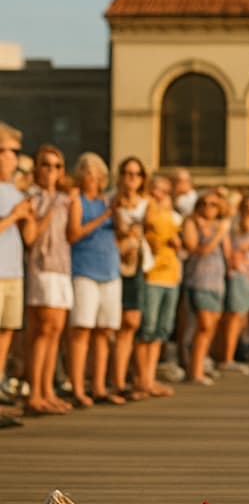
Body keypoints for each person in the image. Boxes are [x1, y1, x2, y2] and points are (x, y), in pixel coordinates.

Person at [65, 153, 123, 405]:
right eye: (86, 171)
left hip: (110, 269)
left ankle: (99, 386)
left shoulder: (108, 201)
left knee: (104, 331)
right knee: (82, 330)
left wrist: (117, 211)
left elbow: (120, 231)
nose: (91, 176)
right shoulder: (77, 200)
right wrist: (103, 217)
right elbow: (74, 233)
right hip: (84, 270)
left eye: (96, 172)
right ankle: (78, 388)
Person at [25, 144, 73, 414]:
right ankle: (34, 393)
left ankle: (48, 390)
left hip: (62, 266)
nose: (51, 170)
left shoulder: (65, 198)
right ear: (37, 168)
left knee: (56, 331)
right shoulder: (32, 197)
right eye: (46, 164)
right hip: (41, 267)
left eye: (56, 165)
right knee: (42, 330)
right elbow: (30, 237)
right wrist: (50, 213)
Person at [134, 174, 182, 398]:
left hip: (171, 275)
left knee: (161, 331)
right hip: (151, 275)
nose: (159, 195)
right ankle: (140, 379)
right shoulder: (146, 210)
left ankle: (150, 378)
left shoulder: (173, 217)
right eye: (155, 189)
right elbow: (150, 235)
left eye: (164, 191)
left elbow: (182, 244)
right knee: (147, 329)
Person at [0, 123, 35, 419]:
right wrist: (14, 216)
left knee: (7, 334)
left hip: (14, 271)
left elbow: (30, 238)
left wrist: (29, 217)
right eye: (9, 152)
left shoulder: (14, 191)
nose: (14, 159)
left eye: (15, 153)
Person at [181, 193, 230, 385]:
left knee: (211, 328)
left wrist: (221, 231)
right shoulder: (191, 223)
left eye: (214, 205)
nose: (209, 208)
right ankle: (194, 370)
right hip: (199, 280)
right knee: (204, 325)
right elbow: (196, 249)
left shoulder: (219, 226)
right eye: (205, 203)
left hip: (217, 282)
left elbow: (226, 253)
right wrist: (217, 235)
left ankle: (201, 365)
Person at [110, 157, 149, 398]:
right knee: (113, 325)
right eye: (127, 173)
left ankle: (133, 378)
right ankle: (114, 381)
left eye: (136, 174)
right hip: (114, 264)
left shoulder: (147, 204)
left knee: (133, 322)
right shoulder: (111, 202)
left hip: (137, 266)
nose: (131, 178)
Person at [218, 195, 249, 374]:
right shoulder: (234, 225)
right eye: (248, 208)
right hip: (236, 273)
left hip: (247, 274)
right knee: (233, 316)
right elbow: (232, 250)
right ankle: (226, 358)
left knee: (241, 316)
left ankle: (231, 355)